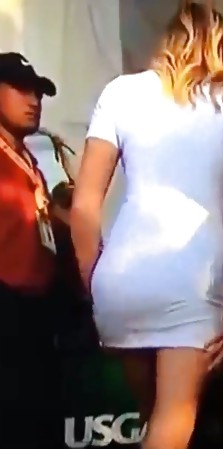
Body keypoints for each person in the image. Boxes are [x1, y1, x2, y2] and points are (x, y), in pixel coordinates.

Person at [70, 2, 223, 448]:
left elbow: (83, 205)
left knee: (150, 419)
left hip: (120, 277)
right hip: (191, 279)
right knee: (174, 419)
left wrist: (94, 281)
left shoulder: (120, 93)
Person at [0, 52, 62, 448]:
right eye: (22, 90)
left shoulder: (30, 161)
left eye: (38, 92)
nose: (34, 101)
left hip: (38, 313)